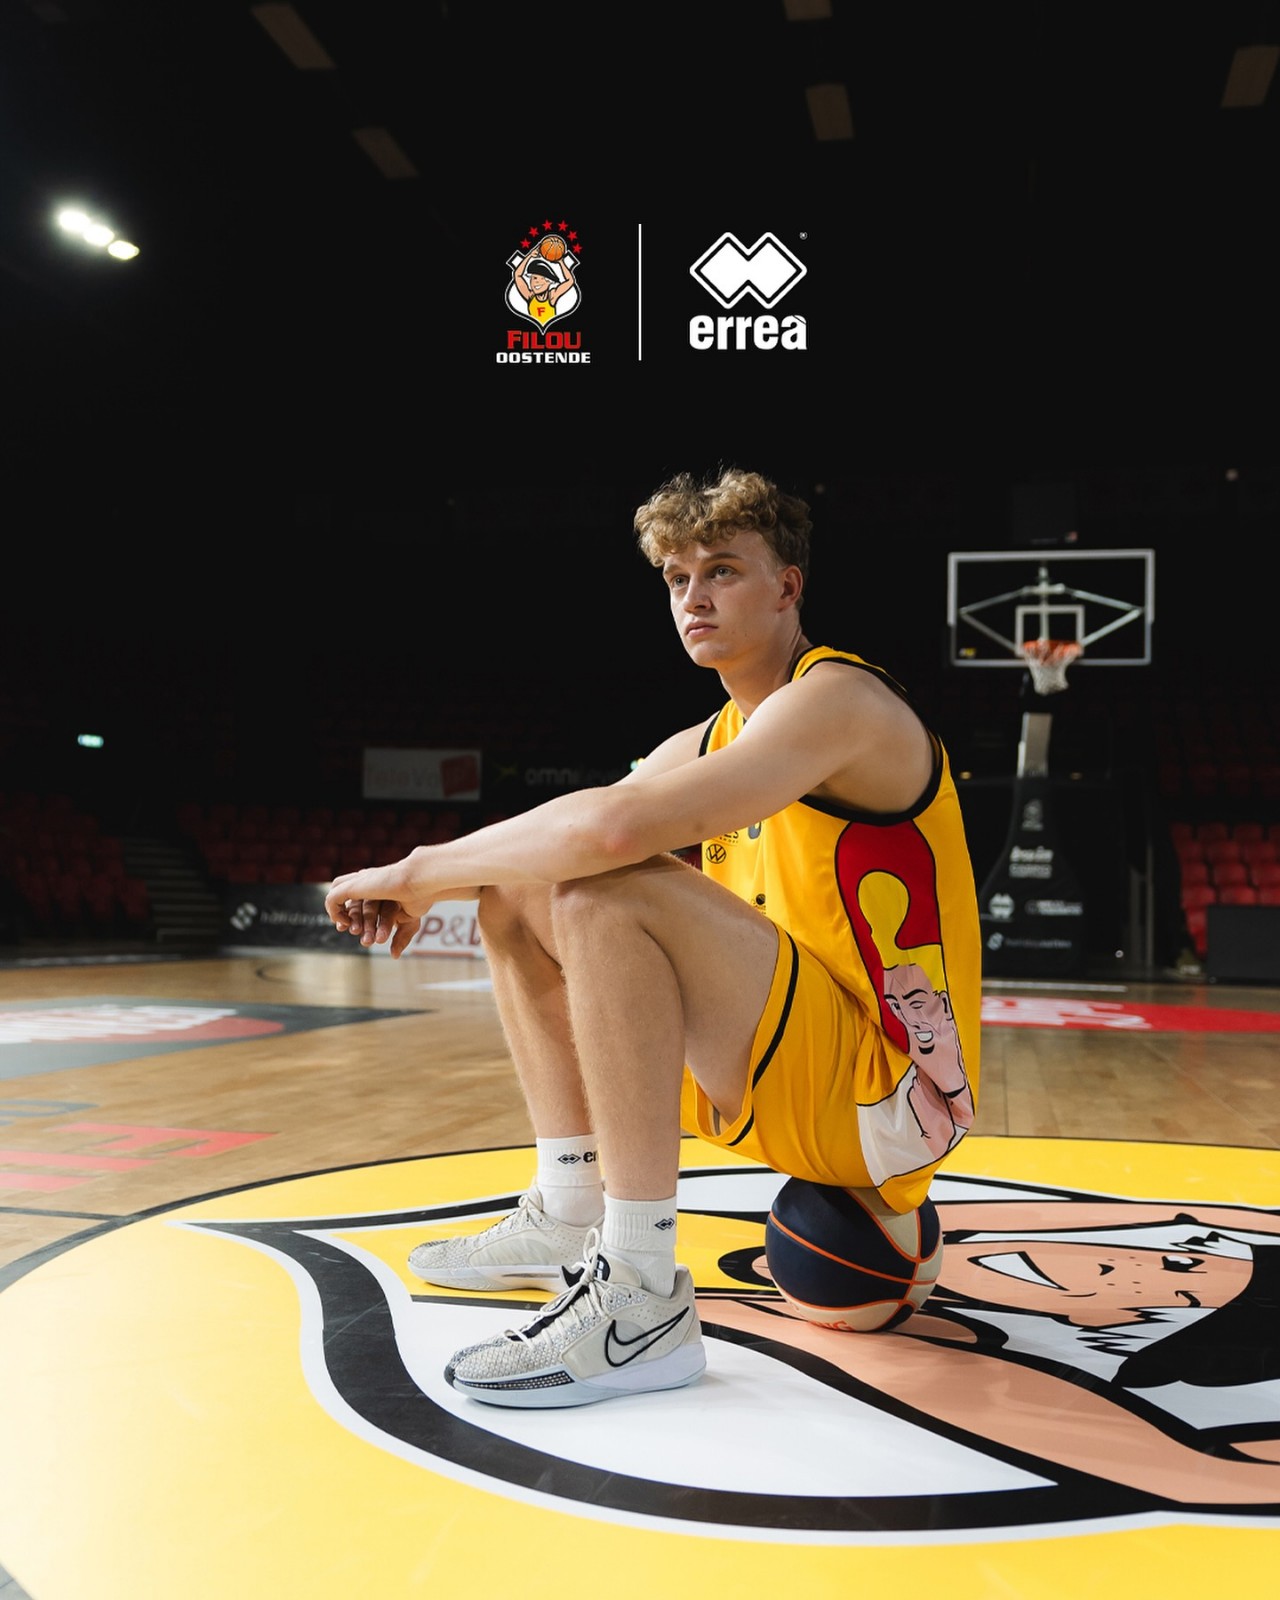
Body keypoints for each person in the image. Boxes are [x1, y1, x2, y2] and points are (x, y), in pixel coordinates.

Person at [324, 465, 983, 1408]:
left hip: (889, 1097)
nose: (693, 598)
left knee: (607, 888)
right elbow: (566, 832)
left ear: (788, 586)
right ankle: (569, 1209)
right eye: (677, 578)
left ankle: (639, 1298)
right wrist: (428, 888)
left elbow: (610, 834)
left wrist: (418, 868)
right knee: (519, 888)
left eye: (722, 570)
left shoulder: (840, 701)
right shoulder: (709, 737)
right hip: (789, 1069)